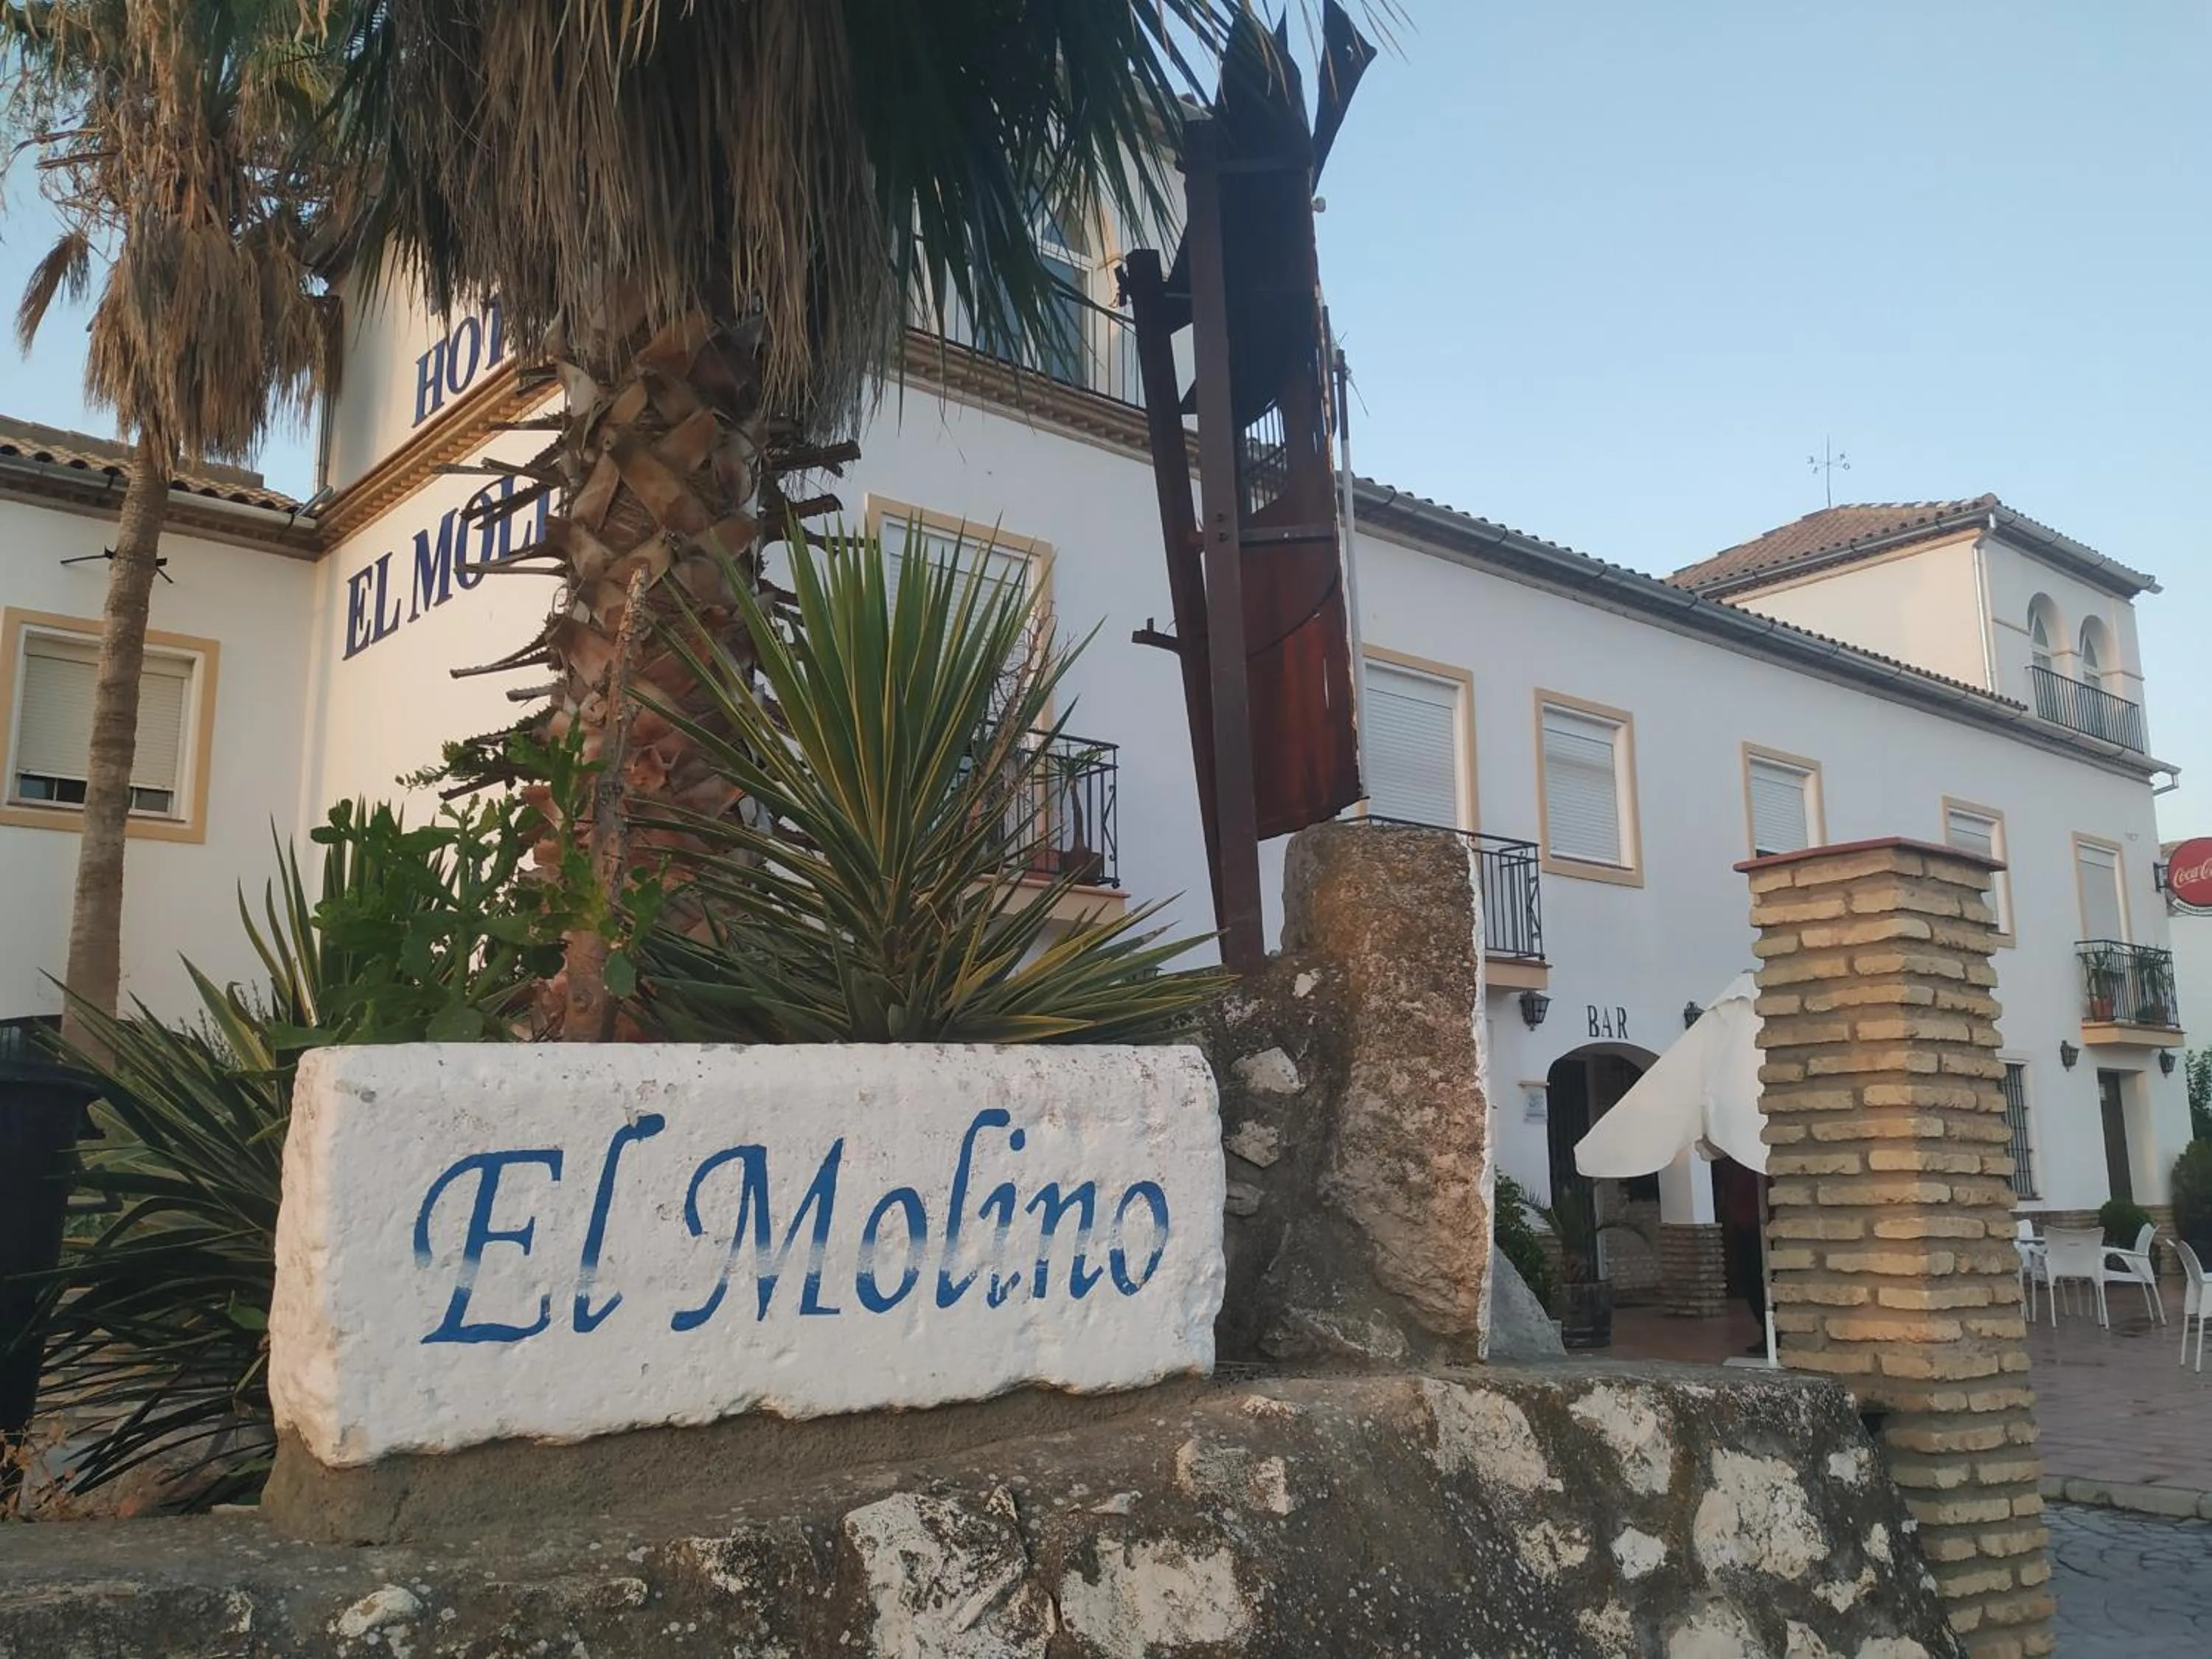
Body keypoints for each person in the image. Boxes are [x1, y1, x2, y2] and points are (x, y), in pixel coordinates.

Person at [1712, 1156, 1768, 1354]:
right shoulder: (1734, 1167)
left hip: (1762, 1228)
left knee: (1764, 1282)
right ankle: (1766, 1331)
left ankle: (1776, 1332)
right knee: (1751, 1282)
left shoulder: (1760, 1167)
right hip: (1743, 1227)